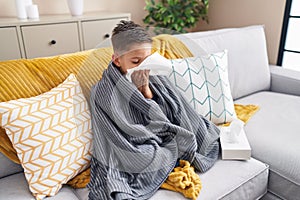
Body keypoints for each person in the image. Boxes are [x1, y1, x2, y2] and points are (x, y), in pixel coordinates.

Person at [88, 20, 220, 200]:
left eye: (147, 59)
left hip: (163, 134)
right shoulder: (103, 91)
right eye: (135, 61)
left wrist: (146, 92)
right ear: (117, 59)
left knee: (193, 137)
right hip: (137, 144)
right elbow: (122, 134)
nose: (143, 67)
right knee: (142, 159)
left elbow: (171, 116)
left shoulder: (153, 75)